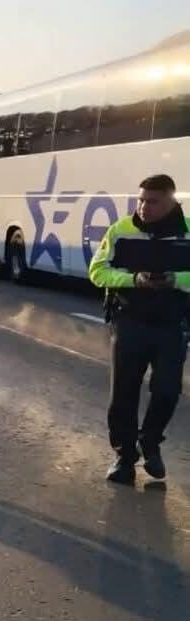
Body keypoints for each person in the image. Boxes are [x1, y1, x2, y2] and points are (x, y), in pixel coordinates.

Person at [89, 173, 190, 483]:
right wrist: (134, 280)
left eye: (152, 201)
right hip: (130, 320)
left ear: (172, 201)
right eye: (141, 200)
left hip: (173, 324)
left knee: (167, 391)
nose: (144, 207)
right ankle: (124, 458)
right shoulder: (121, 230)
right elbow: (97, 271)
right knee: (123, 394)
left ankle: (150, 441)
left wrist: (177, 280)